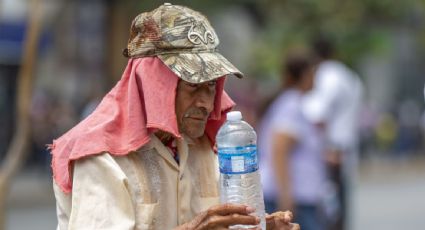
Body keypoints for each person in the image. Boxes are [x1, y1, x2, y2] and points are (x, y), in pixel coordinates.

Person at [50, 3, 299, 230]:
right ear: (154, 83)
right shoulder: (100, 158)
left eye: (211, 85)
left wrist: (259, 225)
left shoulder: (201, 146)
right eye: (193, 84)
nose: (206, 103)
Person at [258, 51, 326, 230]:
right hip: (294, 198)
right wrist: (286, 197)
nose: (315, 79)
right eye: (313, 74)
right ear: (304, 75)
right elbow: (279, 149)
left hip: (299, 196)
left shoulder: (291, 103)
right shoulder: (291, 104)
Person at [302, 36, 364, 230]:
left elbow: (317, 114)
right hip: (345, 146)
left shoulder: (328, 75)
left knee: (328, 208)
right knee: (339, 203)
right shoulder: (350, 75)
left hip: (330, 150)